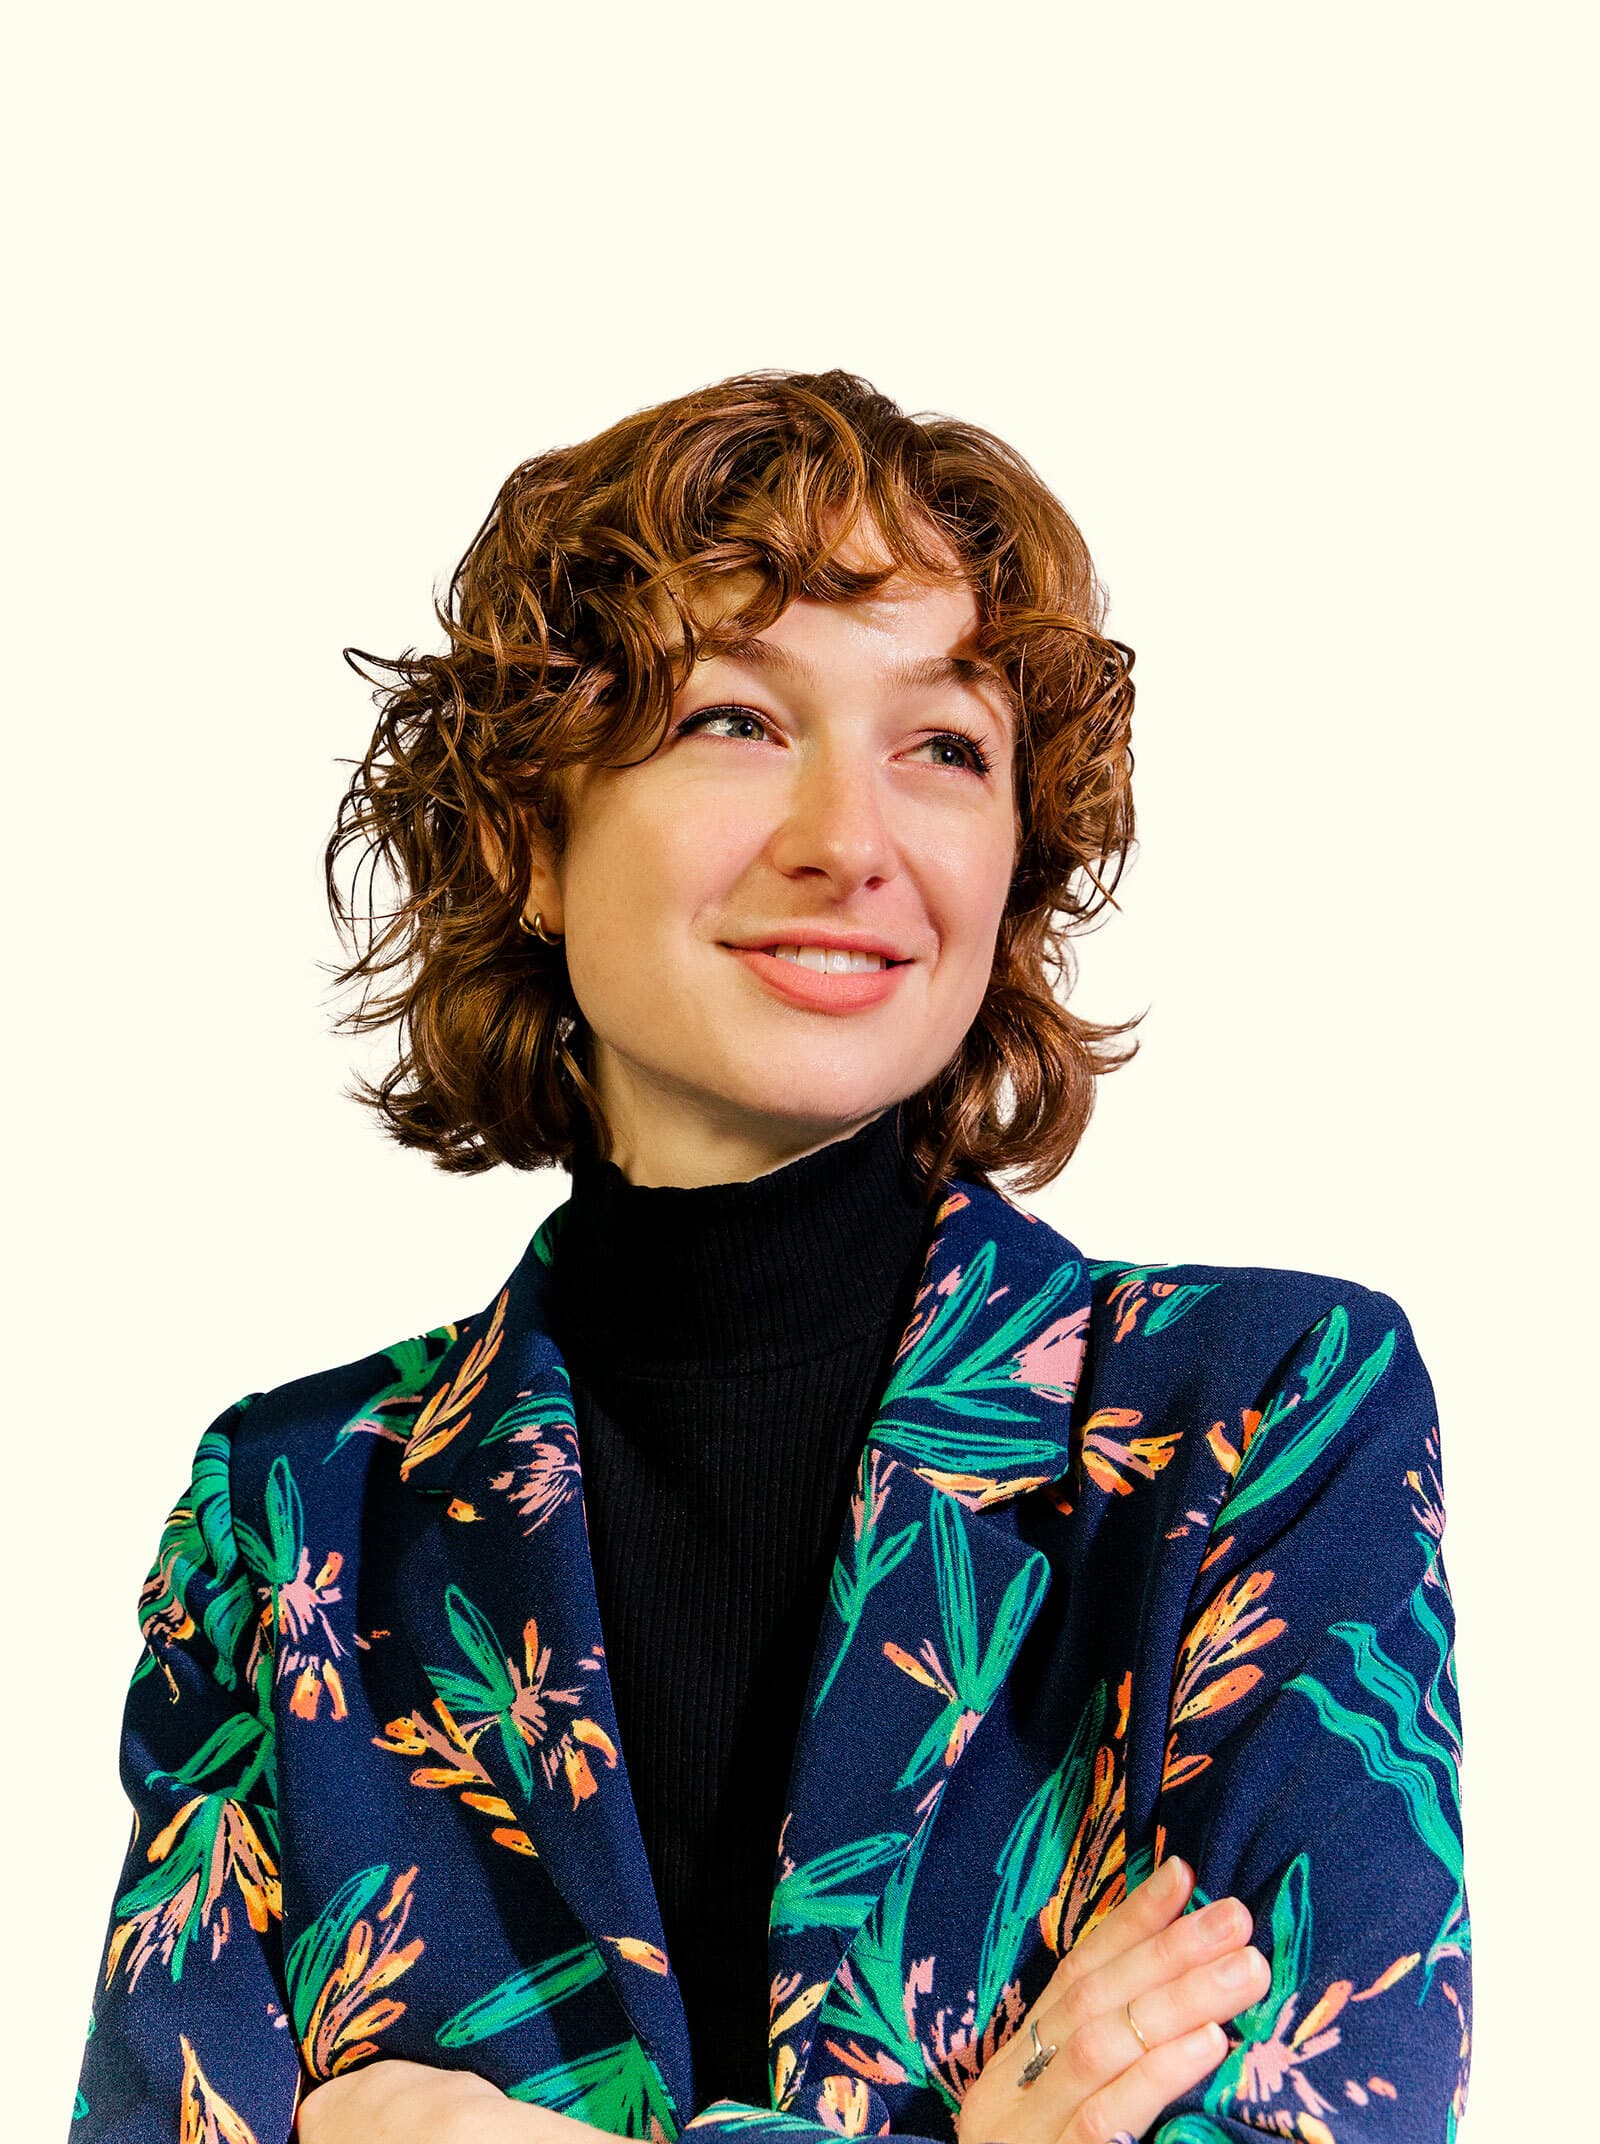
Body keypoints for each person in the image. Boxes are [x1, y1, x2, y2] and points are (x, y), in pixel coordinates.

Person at [71, 369, 1470, 2144]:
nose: (849, 841)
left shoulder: (1264, 1417)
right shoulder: (288, 1518)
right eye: (735, 720)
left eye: (945, 747)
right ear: (532, 840)